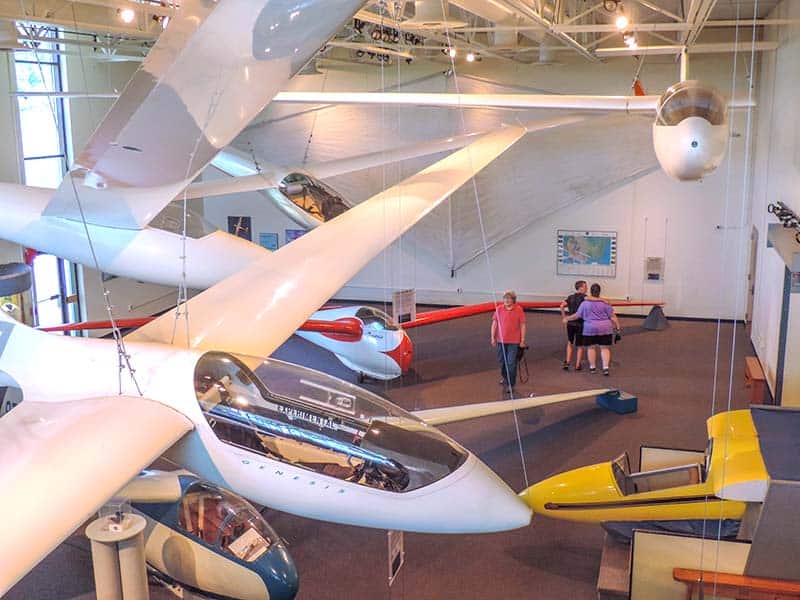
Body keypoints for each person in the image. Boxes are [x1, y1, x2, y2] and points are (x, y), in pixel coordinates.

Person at [563, 283, 620, 376]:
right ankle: (605, 368)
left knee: (591, 347)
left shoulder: (585, 304)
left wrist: (566, 318)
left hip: (590, 328)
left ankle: (592, 367)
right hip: (605, 328)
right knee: (604, 348)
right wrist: (618, 328)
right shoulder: (605, 303)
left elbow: (577, 315)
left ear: (591, 292)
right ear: (599, 292)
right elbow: (613, 317)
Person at [491, 290, 527, 393]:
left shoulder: (519, 310)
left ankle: (511, 384)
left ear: (513, 300)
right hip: (500, 340)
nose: (506, 300)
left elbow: (523, 325)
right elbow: (494, 323)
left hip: (514, 342)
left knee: (511, 363)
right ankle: (506, 377)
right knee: (502, 362)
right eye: (505, 298)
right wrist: (492, 337)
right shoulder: (499, 309)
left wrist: (522, 340)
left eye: (509, 298)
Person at [560, 280, 587, 371]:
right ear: (580, 288)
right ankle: (577, 365)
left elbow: (561, 306)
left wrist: (564, 318)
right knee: (579, 345)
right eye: (585, 287)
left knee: (570, 342)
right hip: (580, 323)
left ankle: (567, 362)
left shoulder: (570, 297)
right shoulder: (585, 298)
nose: (586, 288)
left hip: (570, 323)